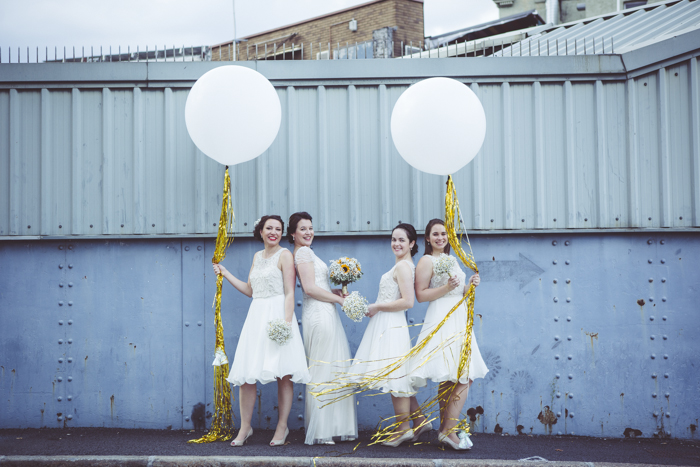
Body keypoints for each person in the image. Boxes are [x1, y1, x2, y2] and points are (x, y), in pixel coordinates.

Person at [213, 215, 310, 447]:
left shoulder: (285, 255)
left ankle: (282, 427)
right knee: (248, 372)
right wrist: (226, 274)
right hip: (256, 316)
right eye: (269, 228)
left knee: (283, 373)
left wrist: (286, 323)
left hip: (278, 316)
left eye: (278, 228)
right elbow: (250, 290)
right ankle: (245, 428)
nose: (273, 232)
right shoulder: (257, 256)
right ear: (261, 231)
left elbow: (289, 292)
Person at [409, 218, 488, 451]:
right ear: (427, 238)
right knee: (465, 373)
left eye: (444, 234)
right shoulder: (426, 260)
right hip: (441, 317)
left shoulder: (452, 259)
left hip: (459, 317)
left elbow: (459, 292)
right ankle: (447, 430)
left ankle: (446, 428)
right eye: (435, 234)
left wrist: (469, 286)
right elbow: (421, 295)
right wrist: (447, 287)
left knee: (454, 375)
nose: (440, 238)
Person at [348, 223, 426, 447]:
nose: (396, 244)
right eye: (394, 239)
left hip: (391, 325)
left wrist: (377, 306)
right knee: (396, 375)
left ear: (412, 243)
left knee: (395, 378)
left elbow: (407, 302)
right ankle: (419, 421)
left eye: (402, 240)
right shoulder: (403, 265)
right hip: (387, 323)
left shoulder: (403, 267)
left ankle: (403, 429)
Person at [288, 212, 358, 445]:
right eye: (303, 229)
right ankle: (321, 429)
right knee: (323, 369)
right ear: (293, 234)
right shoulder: (304, 252)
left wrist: (334, 292)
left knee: (330, 367)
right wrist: (339, 300)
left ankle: (329, 427)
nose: (308, 232)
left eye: (310, 228)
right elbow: (309, 288)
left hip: (323, 310)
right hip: (319, 313)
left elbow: (317, 285)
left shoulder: (305, 252)